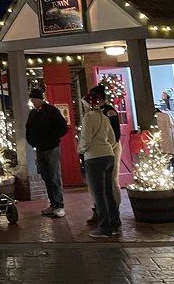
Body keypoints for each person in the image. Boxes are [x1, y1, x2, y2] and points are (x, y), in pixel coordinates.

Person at [78, 91, 120, 238]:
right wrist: (106, 147)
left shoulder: (88, 118)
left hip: (94, 157)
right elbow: (112, 139)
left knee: (99, 194)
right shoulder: (104, 117)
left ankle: (104, 228)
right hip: (108, 156)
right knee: (109, 192)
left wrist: (81, 150)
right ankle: (115, 223)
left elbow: (85, 139)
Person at [25, 87, 68, 218]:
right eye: (31, 100)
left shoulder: (51, 111)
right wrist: (32, 142)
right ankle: (53, 204)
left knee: (55, 177)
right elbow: (28, 129)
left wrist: (52, 138)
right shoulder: (33, 114)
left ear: (39, 99)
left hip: (52, 148)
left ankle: (59, 205)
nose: (32, 102)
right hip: (40, 150)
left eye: (34, 100)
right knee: (46, 178)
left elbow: (62, 127)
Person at [87, 84, 122, 225]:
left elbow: (115, 135)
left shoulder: (109, 112)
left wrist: (108, 149)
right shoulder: (94, 113)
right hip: (100, 150)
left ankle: (114, 211)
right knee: (96, 185)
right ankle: (100, 210)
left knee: (112, 181)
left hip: (110, 149)